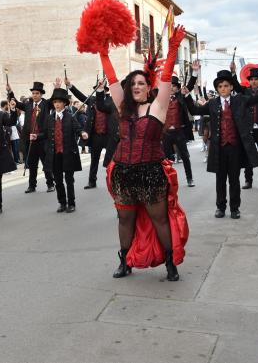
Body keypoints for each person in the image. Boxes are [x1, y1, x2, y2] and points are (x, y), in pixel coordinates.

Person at [97, 24, 189, 281]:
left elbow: (167, 78)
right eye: (133, 84)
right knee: (124, 220)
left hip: (150, 172)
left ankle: (171, 264)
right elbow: (113, 80)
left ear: (148, 87)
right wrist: (103, 53)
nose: (136, 86)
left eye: (141, 83)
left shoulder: (158, 106)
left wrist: (172, 50)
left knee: (159, 220)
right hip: (124, 172)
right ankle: (124, 261)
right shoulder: (122, 107)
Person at [185, 55, 258, 220]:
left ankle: (235, 208)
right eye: (220, 86)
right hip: (218, 148)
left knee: (234, 180)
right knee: (220, 180)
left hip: (235, 147)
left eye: (226, 85)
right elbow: (194, 110)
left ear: (231, 86)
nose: (223, 89)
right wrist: (188, 90)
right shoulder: (212, 104)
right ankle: (220, 207)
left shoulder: (240, 100)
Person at [231, 65, 258, 191]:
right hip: (248, 129)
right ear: (249, 81)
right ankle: (248, 180)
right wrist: (233, 72)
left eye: (256, 79)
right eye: (252, 79)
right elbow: (236, 86)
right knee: (248, 155)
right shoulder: (245, 91)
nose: (254, 81)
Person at [43, 87, 88, 213]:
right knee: (57, 180)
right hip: (54, 154)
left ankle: (71, 203)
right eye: (55, 102)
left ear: (64, 103)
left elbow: (78, 129)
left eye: (59, 102)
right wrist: (36, 136)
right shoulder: (49, 118)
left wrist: (82, 133)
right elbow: (45, 134)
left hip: (68, 153)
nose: (57, 104)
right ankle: (62, 203)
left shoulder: (70, 117)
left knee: (69, 180)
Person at [7, 82, 55, 193]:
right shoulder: (28, 105)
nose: (34, 95)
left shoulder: (46, 104)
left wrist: (56, 88)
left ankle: (50, 184)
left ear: (41, 94)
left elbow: (54, 98)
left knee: (46, 163)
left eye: (37, 93)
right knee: (32, 164)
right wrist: (10, 91)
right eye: (33, 93)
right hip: (30, 140)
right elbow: (15, 102)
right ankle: (32, 185)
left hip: (42, 139)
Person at [65, 77, 112, 189]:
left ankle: (113, 181)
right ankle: (92, 181)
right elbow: (79, 95)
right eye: (96, 88)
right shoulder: (92, 100)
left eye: (100, 88)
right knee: (94, 160)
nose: (98, 89)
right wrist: (70, 86)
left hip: (108, 135)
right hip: (95, 135)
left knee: (111, 160)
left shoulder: (111, 101)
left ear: (105, 89)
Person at [163, 62, 201, 187]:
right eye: (170, 85)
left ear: (177, 87)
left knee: (185, 156)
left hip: (179, 131)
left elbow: (189, 87)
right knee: (166, 159)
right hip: (166, 132)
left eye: (174, 86)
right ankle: (167, 180)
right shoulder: (161, 98)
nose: (172, 87)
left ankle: (190, 178)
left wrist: (194, 72)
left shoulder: (181, 97)